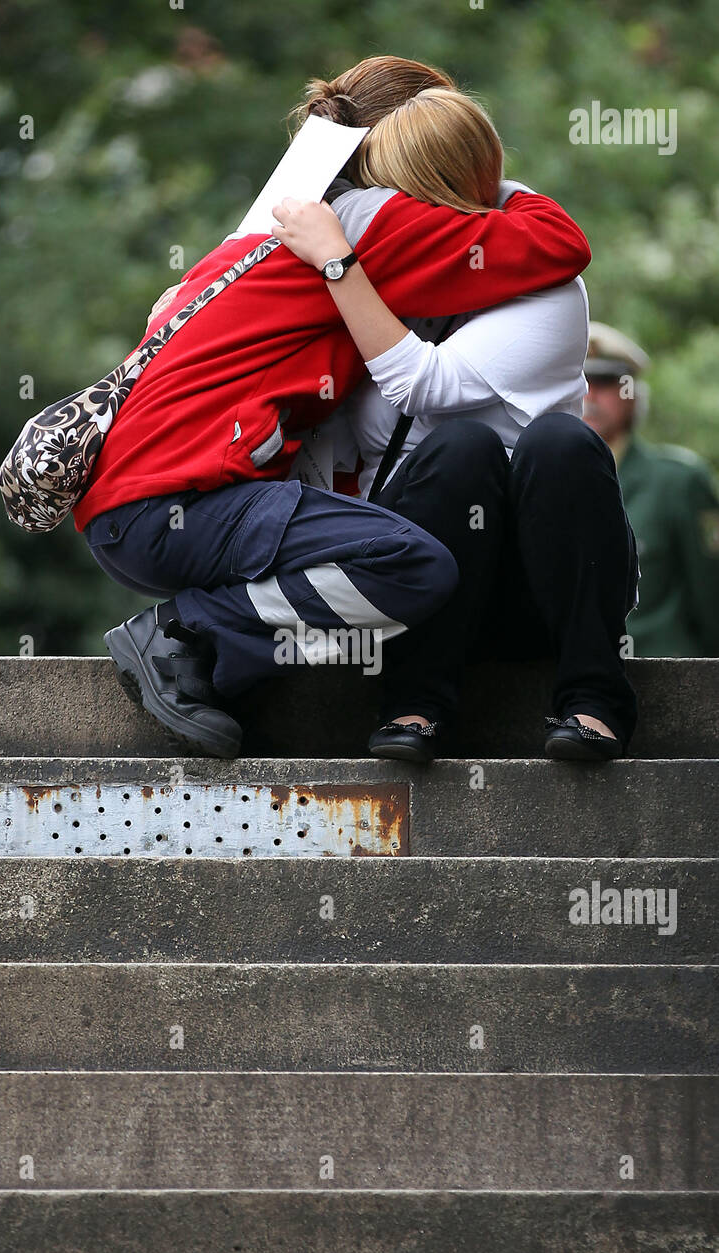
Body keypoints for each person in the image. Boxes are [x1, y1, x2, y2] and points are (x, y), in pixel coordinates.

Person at [80, 58, 591, 756]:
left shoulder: (270, 225)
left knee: (370, 556)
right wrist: (483, 174)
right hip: (182, 503)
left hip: (135, 504)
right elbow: (560, 242)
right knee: (414, 566)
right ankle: (183, 635)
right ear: (417, 144)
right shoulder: (379, 223)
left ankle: (210, 663)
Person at [273, 90, 638, 763]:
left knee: (557, 440)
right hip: (417, 590)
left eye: (396, 192)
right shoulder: (383, 279)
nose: (383, 212)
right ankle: (416, 707)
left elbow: (423, 383)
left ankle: (595, 698)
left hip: (535, 590)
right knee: (460, 449)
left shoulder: (547, 286)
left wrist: (339, 266)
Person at [584, 322, 719, 656]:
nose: (590, 396)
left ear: (632, 396)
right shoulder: (536, 485)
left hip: (667, 678)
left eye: (605, 383)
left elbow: (710, 603)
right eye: (579, 382)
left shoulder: (679, 482)